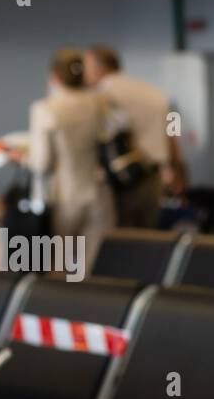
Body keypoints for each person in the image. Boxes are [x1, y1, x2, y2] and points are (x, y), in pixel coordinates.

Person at [83, 44, 185, 227]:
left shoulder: (100, 96)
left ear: (98, 67)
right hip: (155, 176)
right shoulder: (154, 92)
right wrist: (177, 168)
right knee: (146, 237)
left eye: (86, 66)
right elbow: (172, 131)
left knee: (120, 239)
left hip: (120, 179)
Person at [29, 46, 114, 250]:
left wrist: (23, 157)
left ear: (54, 75)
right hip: (99, 193)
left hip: (65, 196)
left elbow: (42, 164)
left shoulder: (45, 108)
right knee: (94, 265)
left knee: (60, 264)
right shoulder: (98, 103)